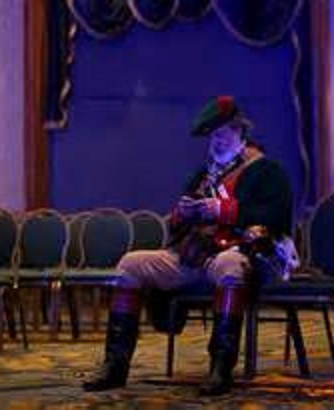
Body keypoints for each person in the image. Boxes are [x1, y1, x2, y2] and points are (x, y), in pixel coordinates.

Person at [82, 95, 294, 395]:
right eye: (212, 137)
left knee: (229, 265)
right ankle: (115, 365)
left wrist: (223, 210)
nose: (215, 143)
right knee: (130, 264)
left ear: (240, 133)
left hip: (237, 254)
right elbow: (178, 226)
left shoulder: (268, 171)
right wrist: (183, 214)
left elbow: (275, 215)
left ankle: (221, 367)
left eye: (222, 135)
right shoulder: (204, 174)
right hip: (193, 256)